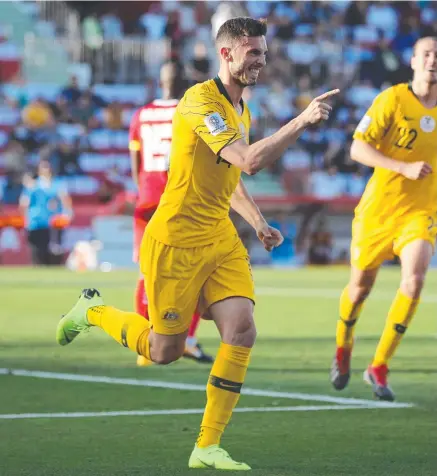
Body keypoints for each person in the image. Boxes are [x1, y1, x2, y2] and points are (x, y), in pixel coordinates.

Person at [56, 17, 337, 470]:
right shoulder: (199, 101)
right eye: (253, 53)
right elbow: (248, 162)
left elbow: (231, 180)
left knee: (242, 330)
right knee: (164, 351)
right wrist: (302, 119)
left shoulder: (239, 108)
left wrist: (259, 222)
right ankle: (91, 311)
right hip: (176, 241)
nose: (261, 61)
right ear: (226, 54)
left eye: (264, 52)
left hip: (219, 238)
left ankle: (207, 445)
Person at [331, 36, 437, 402]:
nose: (433, 60)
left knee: (415, 280)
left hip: (420, 213)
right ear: (413, 61)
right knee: (359, 289)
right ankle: (343, 348)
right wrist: (402, 167)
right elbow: (357, 148)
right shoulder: (392, 99)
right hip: (378, 211)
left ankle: (378, 365)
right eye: (427, 54)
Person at [128, 61, 213, 366]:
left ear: (159, 82)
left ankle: (144, 345)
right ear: (184, 84)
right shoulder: (189, 111)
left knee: (146, 273)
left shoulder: (140, 115)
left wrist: (143, 191)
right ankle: (187, 340)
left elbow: (135, 159)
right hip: (178, 199)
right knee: (197, 270)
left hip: (146, 199)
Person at [19, 160, 72, 265]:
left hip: (52, 221)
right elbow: (24, 203)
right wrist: (25, 218)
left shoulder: (57, 184)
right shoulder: (33, 186)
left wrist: (68, 213)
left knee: (54, 248)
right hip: (36, 220)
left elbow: (65, 199)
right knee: (37, 248)